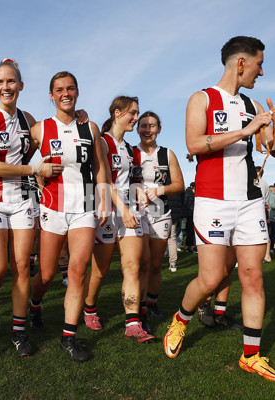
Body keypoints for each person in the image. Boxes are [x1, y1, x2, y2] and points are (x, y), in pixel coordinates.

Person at [162, 36, 275, 385]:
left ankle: (251, 356)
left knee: (253, 277)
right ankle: (181, 318)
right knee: (211, 278)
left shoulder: (251, 104)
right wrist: (244, 130)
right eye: (259, 64)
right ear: (241, 63)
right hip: (212, 199)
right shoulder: (202, 98)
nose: (261, 72)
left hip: (249, 202)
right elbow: (193, 143)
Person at [0, 59, 67, 357]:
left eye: (11, 81)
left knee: (22, 268)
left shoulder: (29, 119)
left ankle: (18, 331)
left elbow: (56, 132)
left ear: (21, 86)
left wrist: (77, 115)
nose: (6, 87)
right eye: (0, 82)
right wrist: (33, 169)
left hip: (24, 199)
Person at [27, 71, 108, 362]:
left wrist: (105, 200)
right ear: (51, 95)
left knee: (77, 269)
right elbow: (18, 155)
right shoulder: (40, 128)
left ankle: (69, 337)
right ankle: (34, 306)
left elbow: (99, 167)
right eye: (59, 89)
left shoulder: (90, 127)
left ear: (77, 92)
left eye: (70, 88)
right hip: (51, 205)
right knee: (47, 273)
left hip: (85, 204)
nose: (65, 93)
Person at [83, 96, 156, 343]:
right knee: (101, 271)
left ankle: (133, 323)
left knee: (132, 268)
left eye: (137, 113)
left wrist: (139, 196)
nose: (136, 118)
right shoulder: (102, 142)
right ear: (116, 112)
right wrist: (123, 209)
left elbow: (134, 180)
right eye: (132, 113)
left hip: (128, 210)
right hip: (106, 210)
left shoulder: (130, 149)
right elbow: (105, 181)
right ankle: (89, 307)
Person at [134, 111, 184, 328]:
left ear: (159, 129)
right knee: (142, 263)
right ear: (137, 129)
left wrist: (160, 189)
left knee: (155, 265)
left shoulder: (167, 154)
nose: (148, 130)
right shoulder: (130, 152)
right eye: (143, 125)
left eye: (152, 126)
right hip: (136, 213)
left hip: (160, 213)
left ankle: (152, 302)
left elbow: (179, 185)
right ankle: (140, 309)